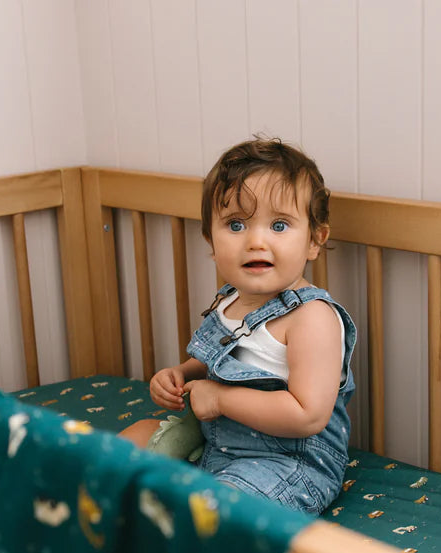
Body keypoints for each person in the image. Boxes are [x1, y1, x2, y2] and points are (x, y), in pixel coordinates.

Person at [121, 137, 356, 515]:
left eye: (279, 225)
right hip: (216, 447)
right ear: (211, 242)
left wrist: (220, 399)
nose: (256, 241)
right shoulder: (230, 298)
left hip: (290, 465)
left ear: (315, 240)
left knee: (218, 511)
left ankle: (161, 540)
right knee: (133, 439)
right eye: (235, 224)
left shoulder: (312, 319)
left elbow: (308, 414)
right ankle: (90, 505)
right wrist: (180, 374)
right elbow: (223, 358)